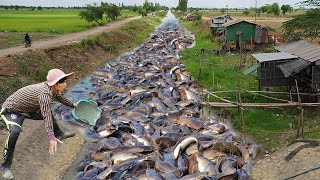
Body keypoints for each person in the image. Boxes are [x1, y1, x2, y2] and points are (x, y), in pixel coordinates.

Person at [0, 69, 77, 180]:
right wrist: (51, 137)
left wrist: (73, 105)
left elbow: (59, 97)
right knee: (14, 132)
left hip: (27, 109)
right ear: (55, 84)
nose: (66, 84)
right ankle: (5, 167)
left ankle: (59, 134)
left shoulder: (52, 89)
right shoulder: (44, 94)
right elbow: (46, 116)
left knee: (49, 114)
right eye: (63, 81)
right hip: (12, 110)